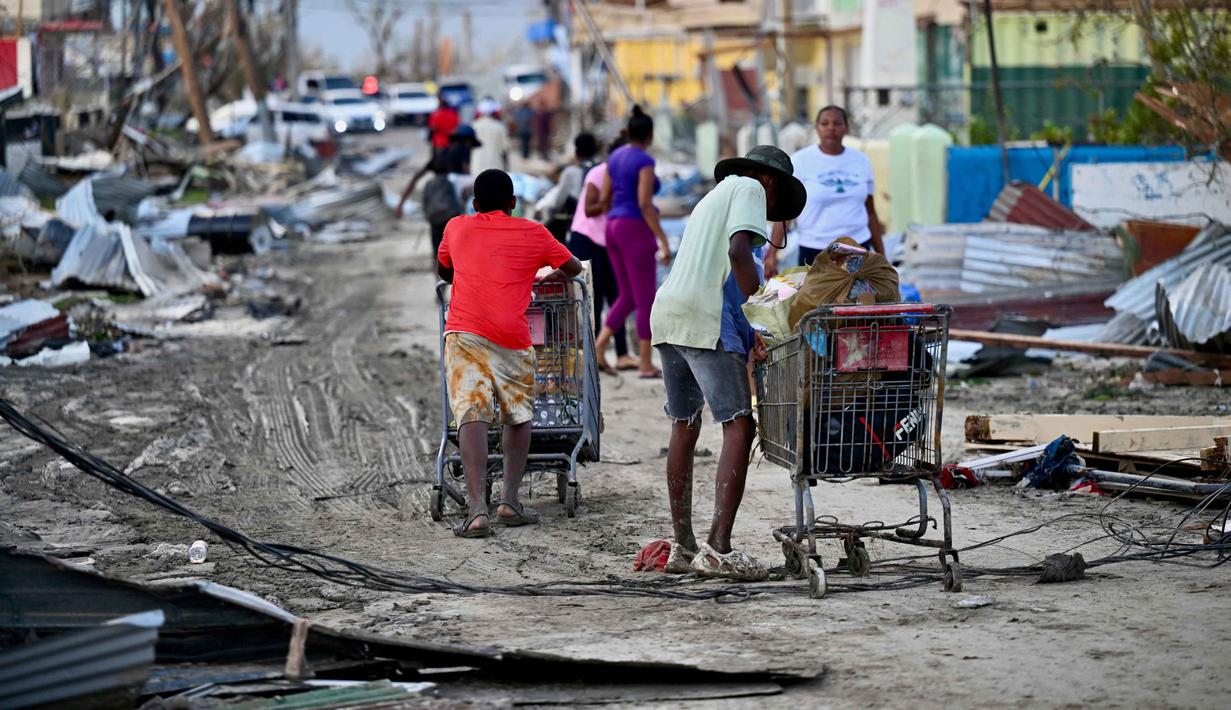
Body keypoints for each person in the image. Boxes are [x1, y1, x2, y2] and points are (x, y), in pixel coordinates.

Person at [649, 145, 806, 579]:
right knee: (740, 424)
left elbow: (722, 263)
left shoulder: (714, 196)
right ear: (771, 181)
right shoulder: (753, 189)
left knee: (684, 424)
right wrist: (759, 315)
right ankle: (718, 546)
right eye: (777, 203)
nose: (771, 212)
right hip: (704, 320)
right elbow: (739, 254)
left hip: (668, 314)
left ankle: (684, 546)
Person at [437, 169, 583, 538]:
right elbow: (574, 267)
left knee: (472, 411)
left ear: (474, 204)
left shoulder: (456, 227)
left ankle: (475, 511)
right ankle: (510, 501)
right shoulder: (534, 232)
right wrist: (539, 273)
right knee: (518, 415)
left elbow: (445, 270)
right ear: (514, 203)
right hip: (512, 336)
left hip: (464, 331)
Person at [593, 106, 671, 378]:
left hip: (613, 226)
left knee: (627, 295)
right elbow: (645, 204)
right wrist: (663, 240)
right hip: (634, 228)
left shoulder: (614, 157)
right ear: (649, 135)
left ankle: (598, 347)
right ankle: (646, 363)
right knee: (645, 297)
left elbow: (604, 198)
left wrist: (615, 218)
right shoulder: (644, 161)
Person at [764, 105, 885, 276]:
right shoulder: (800, 161)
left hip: (857, 248)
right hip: (814, 250)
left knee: (858, 300)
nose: (831, 128)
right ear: (817, 128)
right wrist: (771, 256)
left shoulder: (861, 161)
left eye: (837, 123)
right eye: (825, 123)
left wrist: (881, 256)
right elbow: (787, 214)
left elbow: (870, 212)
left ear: (846, 127)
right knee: (816, 302)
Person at [567, 134, 637, 372]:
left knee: (617, 294)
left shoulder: (629, 177)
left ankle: (622, 353)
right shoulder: (598, 173)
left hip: (609, 241)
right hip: (587, 239)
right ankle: (594, 355)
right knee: (593, 297)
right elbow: (589, 209)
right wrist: (609, 200)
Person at [395, 126, 482, 220]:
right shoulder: (465, 148)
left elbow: (416, 178)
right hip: (455, 208)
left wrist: (401, 204)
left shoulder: (439, 155)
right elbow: (466, 172)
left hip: (437, 207)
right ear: (468, 141)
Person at [543, 132, 598, 243]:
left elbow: (558, 201)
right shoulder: (601, 170)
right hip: (597, 223)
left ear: (576, 151)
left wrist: (550, 213)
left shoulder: (570, 172)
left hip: (576, 224)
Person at [471, 107, 509, 176]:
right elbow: (505, 147)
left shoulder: (474, 126)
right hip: (496, 164)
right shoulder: (500, 127)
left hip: (477, 165)